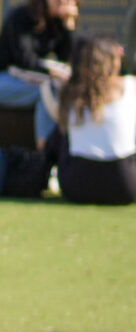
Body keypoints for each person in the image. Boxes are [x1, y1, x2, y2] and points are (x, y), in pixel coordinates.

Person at [0, 0, 81, 142]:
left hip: (23, 80)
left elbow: (67, 60)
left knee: (64, 92)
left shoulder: (58, 24)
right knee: (47, 91)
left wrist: (68, 25)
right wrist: (52, 73)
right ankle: (45, 154)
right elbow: (23, 60)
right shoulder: (23, 15)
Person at [55, 35, 136, 205]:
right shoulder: (130, 85)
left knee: (63, 136)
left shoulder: (69, 91)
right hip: (125, 186)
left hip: (76, 186)